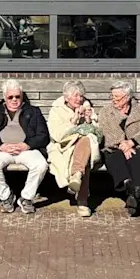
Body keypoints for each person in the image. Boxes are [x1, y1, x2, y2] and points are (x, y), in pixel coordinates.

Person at [0, 79, 51, 215]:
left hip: (26, 150)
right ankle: (6, 196)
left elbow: (43, 135)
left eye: (17, 96)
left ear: (21, 96)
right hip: (2, 150)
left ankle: (26, 198)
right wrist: (1, 146)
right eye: (10, 97)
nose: (14, 100)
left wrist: (27, 145)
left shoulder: (33, 112)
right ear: (5, 98)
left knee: (41, 165)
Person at [99, 81, 140, 217]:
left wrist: (132, 142)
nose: (113, 100)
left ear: (127, 97)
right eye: (112, 96)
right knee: (115, 157)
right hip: (114, 148)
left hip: (138, 147)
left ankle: (132, 193)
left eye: (117, 97)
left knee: (137, 157)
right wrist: (122, 145)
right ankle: (133, 188)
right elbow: (105, 132)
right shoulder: (106, 111)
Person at [47, 80, 102, 218]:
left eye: (81, 96)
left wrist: (89, 120)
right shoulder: (56, 110)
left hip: (83, 147)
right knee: (84, 156)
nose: (79, 99)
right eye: (76, 96)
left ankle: (77, 176)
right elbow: (57, 135)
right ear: (66, 97)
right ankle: (82, 201)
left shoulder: (87, 108)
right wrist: (74, 121)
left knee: (86, 144)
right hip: (63, 147)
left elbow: (98, 132)